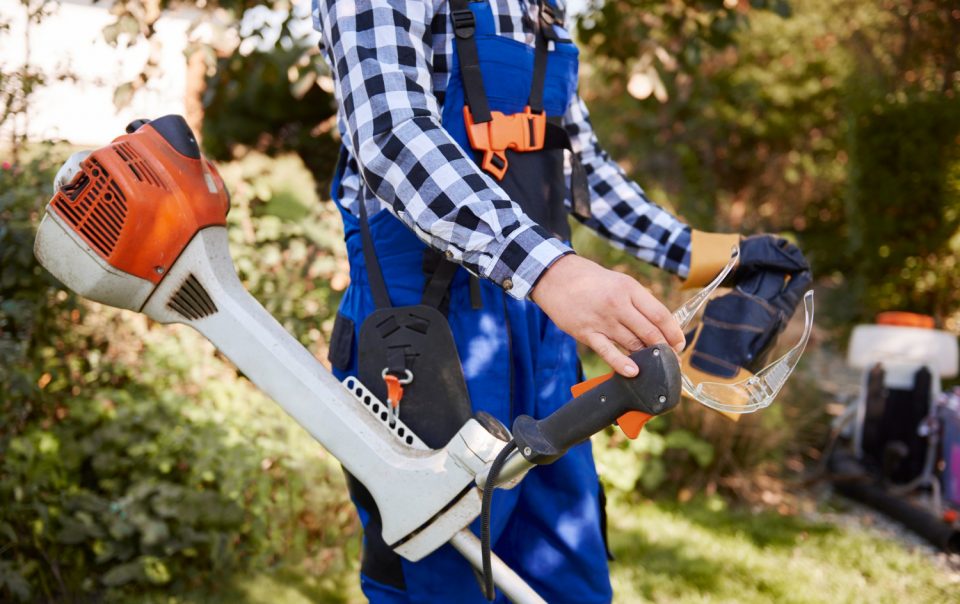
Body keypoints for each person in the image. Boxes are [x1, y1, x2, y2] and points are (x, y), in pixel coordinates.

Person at [311, 1, 809, 602]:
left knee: (567, 581)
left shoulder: (540, 7)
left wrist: (701, 254)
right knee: (441, 580)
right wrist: (552, 271)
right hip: (423, 340)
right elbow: (391, 133)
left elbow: (577, 163)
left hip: (542, 336)